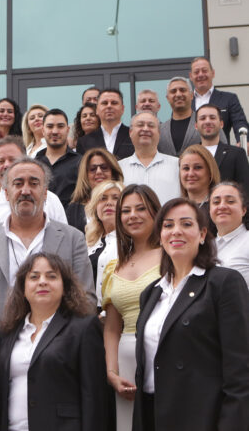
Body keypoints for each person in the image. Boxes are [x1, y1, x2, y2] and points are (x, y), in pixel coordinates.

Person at [0, 156, 96, 431]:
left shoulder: (72, 238)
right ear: (5, 192)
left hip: (57, 368)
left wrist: (53, 347)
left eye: (34, 183)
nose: (25, 190)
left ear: (45, 192)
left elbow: (86, 300)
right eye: (18, 183)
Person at [133, 198, 249, 431]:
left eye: (186, 224)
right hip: (152, 414)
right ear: (160, 236)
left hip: (201, 417)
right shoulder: (151, 293)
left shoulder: (223, 283)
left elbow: (240, 369)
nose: (176, 231)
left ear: (203, 234)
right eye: (168, 225)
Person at [0, 252, 108, 431]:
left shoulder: (83, 328)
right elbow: (0, 396)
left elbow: (94, 397)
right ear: (23, 288)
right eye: (34, 277)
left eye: (51, 276)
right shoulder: (8, 331)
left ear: (65, 287)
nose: (42, 282)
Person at [102, 184, 161, 431]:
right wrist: (112, 372)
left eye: (141, 208)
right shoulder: (114, 267)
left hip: (163, 357)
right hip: (125, 364)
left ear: (155, 212)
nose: (133, 216)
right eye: (126, 211)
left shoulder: (171, 257)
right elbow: (112, 328)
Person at [0, 136, 67, 224]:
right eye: (1, 161)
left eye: (12, 160)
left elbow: (63, 231)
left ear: (26, 160)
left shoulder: (51, 200)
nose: (6, 165)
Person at [119, 112, 181, 205]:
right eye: (140, 125)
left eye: (151, 126)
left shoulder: (177, 165)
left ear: (159, 133)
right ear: (130, 132)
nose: (145, 129)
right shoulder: (118, 168)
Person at [159, 77, 227, 157]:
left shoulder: (207, 123)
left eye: (182, 90)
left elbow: (224, 152)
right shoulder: (160, 130)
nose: (178, 94)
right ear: (167, 98)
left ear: (191, 95)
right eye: (173, 91)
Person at [189, 56, 249, 145]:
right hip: (192, 152)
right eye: (196, 72)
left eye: (204, 71)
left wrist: (243, 141)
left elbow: (240, 123)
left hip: (221, 151)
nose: (200, 74)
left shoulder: (229, 99)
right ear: (191, 76)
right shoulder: (186, 103)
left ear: (213, 73)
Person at [195, 103, 249, 197]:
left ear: (221, 124)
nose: (207, 121)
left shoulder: (237, 154)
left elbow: (245, 190)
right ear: (196, 125)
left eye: (212, 117)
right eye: (202, 118)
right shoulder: (190, 155)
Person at [67, 147, 124, 233]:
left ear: (113, 173)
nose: (99, 172)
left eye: (104, 167)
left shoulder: (124, 201)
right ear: (85, 175)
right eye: (92, 169)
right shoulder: (74, 210)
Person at [85, 181, 123, 300]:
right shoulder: (89, 242)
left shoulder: (131, 241)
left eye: (115, 198)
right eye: (103, 198)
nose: (109, 203)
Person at [36, 109, 80, 208]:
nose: (55, 131)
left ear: (67, 130)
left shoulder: (80, 162)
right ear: (43, 130)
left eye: (60, 126)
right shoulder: (35, 163)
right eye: (50, 126)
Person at [210, 181, 249, 287]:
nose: (222, 206)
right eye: (216, 202)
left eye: (230, 201)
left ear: (243, 210)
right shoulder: (206, 247)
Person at [77, 88, 135, 160]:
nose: (109, 106)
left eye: (114, 103)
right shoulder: (84, 141)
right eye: (104, 103)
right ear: (97, 110)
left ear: (122, 109)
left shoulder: (134, 135)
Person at [179, 144, 220, 235]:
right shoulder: (175, 209)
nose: (191, 174)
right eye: (186, 168)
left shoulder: (219, 208)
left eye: (197, 167)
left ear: (210, 172)